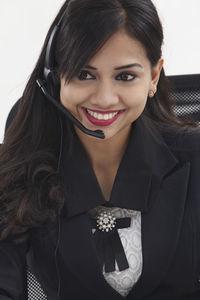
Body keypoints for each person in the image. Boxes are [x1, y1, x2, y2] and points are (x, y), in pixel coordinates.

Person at [0, 0, 200, 299]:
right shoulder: (18, 167)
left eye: (125, 76)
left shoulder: (193, 158)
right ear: (54, 75)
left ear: (154, 76)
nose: (105, 99)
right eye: (84, 74)